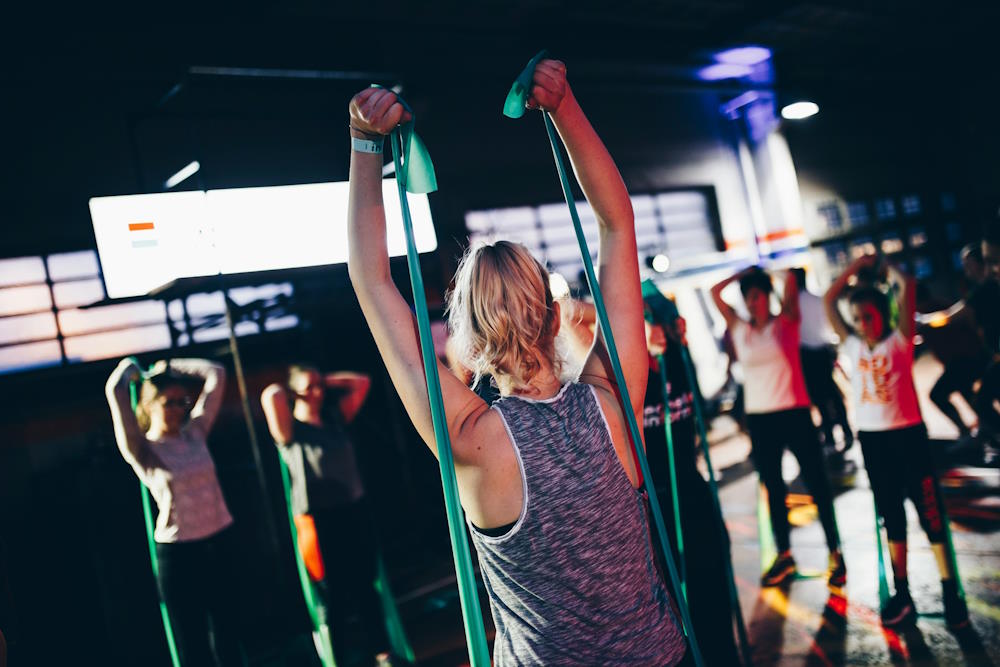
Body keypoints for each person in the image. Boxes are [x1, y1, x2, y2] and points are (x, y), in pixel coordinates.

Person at [347, 59, 686, 665]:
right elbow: (616, 223)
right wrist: (564, 106)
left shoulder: (472, 439)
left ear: (467, 343)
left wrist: (364, 145)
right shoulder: (614, 400)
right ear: (558, 317)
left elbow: (373, 282)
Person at [824, 255, 969, 630]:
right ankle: (902, 591)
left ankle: (950, 589)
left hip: (909, 437)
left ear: (883, 316)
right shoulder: (853, 347)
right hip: (873, 442)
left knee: (930, 513)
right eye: (857, 319)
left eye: (869, 316)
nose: (862, 324)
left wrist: (882, 263)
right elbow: (829, 300)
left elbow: (906, 283)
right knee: (892, 517)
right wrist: (854, 267)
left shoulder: (900, 340)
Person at [711, 267, 845, 587]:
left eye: (757, 295)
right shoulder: (740, 329)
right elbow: (716, 291)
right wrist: (745, 272)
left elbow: (791, 281)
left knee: (818, 485)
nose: (752, 302)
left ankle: (835, 553)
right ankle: (784, 555)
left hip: (795, 413)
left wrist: (768, 272)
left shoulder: (786, 323)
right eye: (748, 297)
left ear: (769, 296)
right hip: (761, 420)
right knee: (774, 490)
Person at [105, 357, 242, 667]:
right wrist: (134, 370)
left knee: (228, 635)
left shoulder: (195, 432)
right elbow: (115, 389)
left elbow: (216, 373)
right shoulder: (143, 449)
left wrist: (172, 366)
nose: (179, 409)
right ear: (150, 405)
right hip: (181, 553)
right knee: (193, 646)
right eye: (170, 403)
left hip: (220, 540)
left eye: (183, 402)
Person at [261, 365, 388, 666]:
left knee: (365, 587)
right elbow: (271, 395)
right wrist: (296, 387)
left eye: (320, 386)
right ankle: (338, 660)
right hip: (317, 521)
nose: (317, 393)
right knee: (333, 597)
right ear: (294, 392)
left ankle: (382, 653)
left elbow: (362, 381)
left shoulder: (334, 419)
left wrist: (324, 381)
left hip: (353, 512)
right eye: (309, 387)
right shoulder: (289, 430)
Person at [790, 268, 853, 452]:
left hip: (807, 354)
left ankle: (830, 437)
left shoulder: (794, 304)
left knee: (819, 396)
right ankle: (846, 430)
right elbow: (827, 326)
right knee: (832, 392)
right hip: (823, 350)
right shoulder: (817, 299)